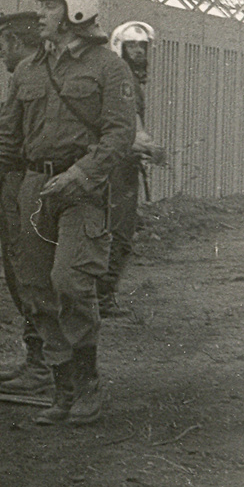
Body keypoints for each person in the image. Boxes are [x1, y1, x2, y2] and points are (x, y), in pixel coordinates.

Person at [0, 0, 137, 427]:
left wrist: (81, 174)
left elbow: (119, 135)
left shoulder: (109, 67)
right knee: (37, 289)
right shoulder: (28, 69)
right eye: (41, 5)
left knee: (70, 282)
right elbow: (6, 137)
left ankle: (87, 386)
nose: (40, 14)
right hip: (32, 192)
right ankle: (63, 392)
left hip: (82, 193)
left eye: (49, 5)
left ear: (75, 9)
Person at [0, 11, 52, 393]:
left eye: (2, 46)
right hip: (16, 182)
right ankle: (37, 359)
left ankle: (43, 365)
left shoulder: (40, 76)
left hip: (29, 184)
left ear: (16, 41)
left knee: (30, 275)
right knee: (21, 275)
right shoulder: (23, 79)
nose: (0, 55)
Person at [98, 20, 166, 317]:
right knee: (119, 232)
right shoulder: (124, 80)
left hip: (120, 163)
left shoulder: (127, 78)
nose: (138, 51)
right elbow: (128, 127)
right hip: (119, 166)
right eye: (132, 46)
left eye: (142, 46)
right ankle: (102, 297)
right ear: (119, 47)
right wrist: (149, 147)